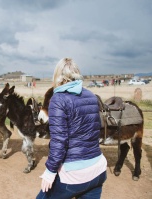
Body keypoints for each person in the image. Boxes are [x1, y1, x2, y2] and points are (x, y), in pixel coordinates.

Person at [36, 58, 107, 199]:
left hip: (74, 175)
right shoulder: (91, 96)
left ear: (57, 75)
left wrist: (50, 172)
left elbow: (59, 141)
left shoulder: (58, 99)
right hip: (98, 169)